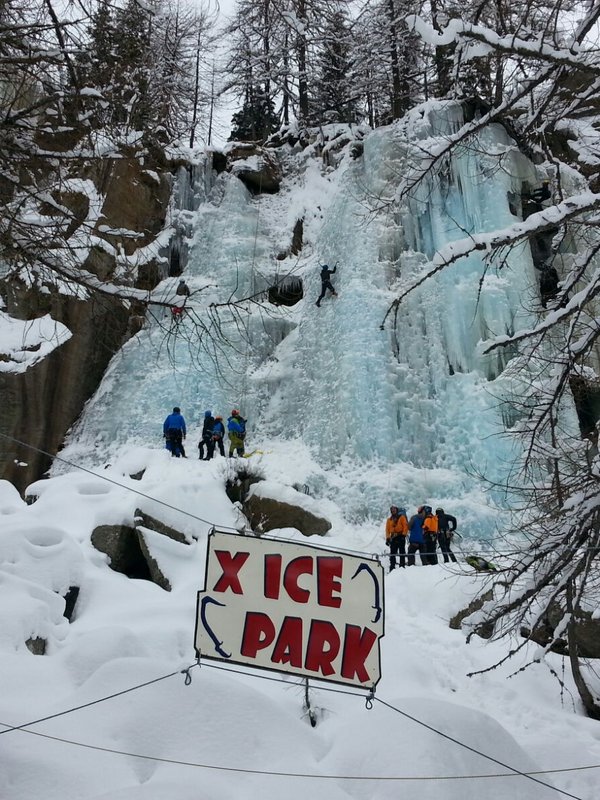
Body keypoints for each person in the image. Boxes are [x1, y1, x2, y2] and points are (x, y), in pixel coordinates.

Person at [385, 506, 409, 570]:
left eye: (394, 510)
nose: (393, 511)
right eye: (392, 510)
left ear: (396, 510)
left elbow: (405, 527)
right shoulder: (389, 520)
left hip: (400, 536)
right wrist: (388, 538)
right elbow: (387, 530)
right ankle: (392, 567)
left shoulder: (402, 518)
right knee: (392, 553)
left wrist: (403, 535)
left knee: (402, 552)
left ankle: (402, 567)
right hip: (393, 537)